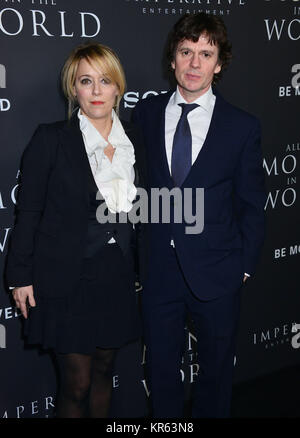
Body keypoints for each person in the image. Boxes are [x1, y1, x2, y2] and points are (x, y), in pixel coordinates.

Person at [132, 13, 266, 418]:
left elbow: (252, 204)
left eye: (205, 54)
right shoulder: (147, 114)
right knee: (161, 373)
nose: (194, 63)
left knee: (216, 374)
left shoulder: (242, 127)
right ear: (172, 58)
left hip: (219, 270)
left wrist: (242, 267)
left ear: (219, 63)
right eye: (186, 51)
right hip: (159, 271)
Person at [5, 42, 146, 418]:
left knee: (104, 372)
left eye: (105, 81)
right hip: (64, 280)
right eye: (86, 81)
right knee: (77, 383)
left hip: (115, 276)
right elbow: (29, 212)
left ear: (118, 87)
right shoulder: (50, 139)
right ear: (73, 89)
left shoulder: (137, 141)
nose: (97, 90)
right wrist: (20, 276)